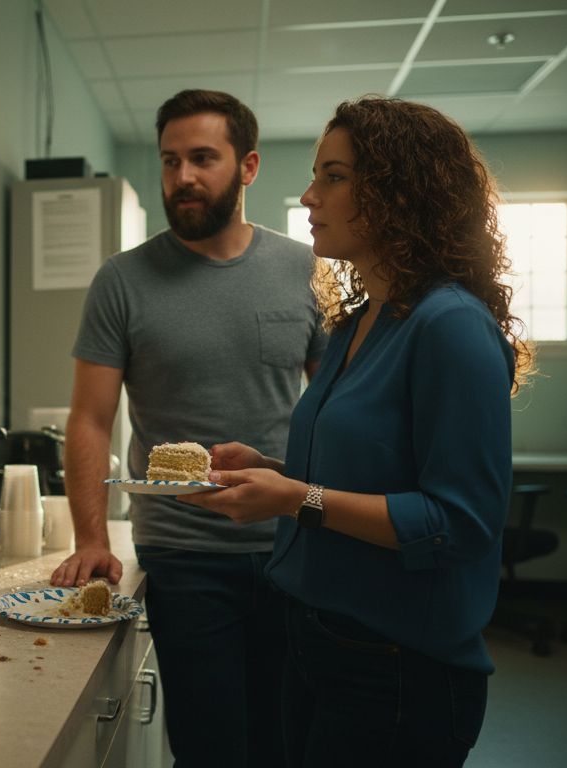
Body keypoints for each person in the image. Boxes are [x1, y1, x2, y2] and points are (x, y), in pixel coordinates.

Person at [181, 96, 533, 767]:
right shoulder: (360, 323)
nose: (310, 196)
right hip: (314, 640)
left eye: (334, 177)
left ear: (403, 192)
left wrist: (293, 500)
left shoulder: (449, 325)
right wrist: (274, 472)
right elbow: (356, 477)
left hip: (398, 666)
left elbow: (458, 522)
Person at [48, 89, 327, 767]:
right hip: (185, 556)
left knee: (290, 743)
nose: (183, 177)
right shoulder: (123, 281)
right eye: (171, 161)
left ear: (249, 166)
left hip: (295, 546)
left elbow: (333, 409)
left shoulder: (306, 271)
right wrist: (90, 537)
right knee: (210, 748)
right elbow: (90, 417)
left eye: (203, 158)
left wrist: (332, 508)